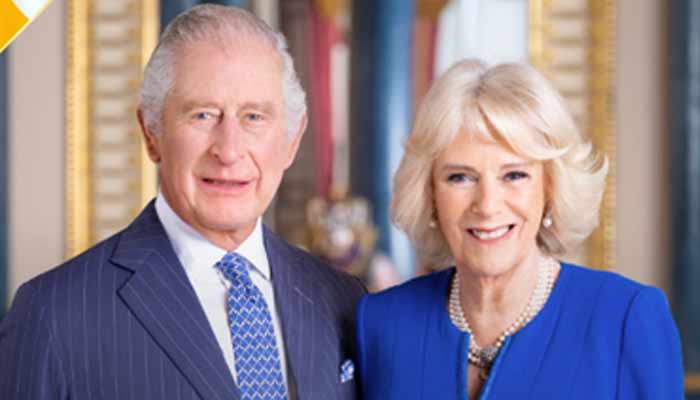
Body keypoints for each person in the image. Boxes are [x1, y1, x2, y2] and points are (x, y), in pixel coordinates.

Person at [0, 5, 365, 400]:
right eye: (203, 115)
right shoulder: (54, 315)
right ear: (151, 132)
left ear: (292, 140)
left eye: (254, 117)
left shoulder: (343, 299)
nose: (229, 150)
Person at [356, 59, 684, 399]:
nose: (487, 205)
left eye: (514, 175)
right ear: (430, 194)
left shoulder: (625, 321)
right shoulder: (381, 324)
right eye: (460, 177)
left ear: (550, 187)